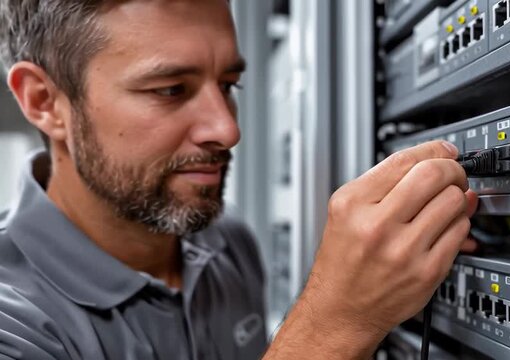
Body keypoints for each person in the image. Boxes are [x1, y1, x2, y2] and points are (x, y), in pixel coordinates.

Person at [0, 0, 477, 359]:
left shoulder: (225, 242)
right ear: (44, 101)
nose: (228, 130)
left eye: (228, 85)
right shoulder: (14, 322)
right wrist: (334, 324)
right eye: (170, 90)